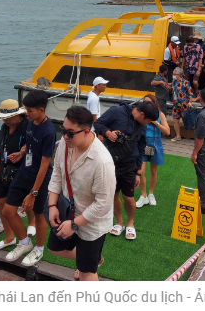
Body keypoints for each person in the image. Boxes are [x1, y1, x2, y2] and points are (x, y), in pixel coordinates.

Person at [47, 106, 116, 281]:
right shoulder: (66, 142)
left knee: (87, 273)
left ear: (86, 131)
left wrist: (75, 224)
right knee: (55, 248)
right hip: (67, 211)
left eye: (70, 132)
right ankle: (92, 260)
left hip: (91, 224)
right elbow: (57, 172)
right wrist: (52, 204)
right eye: (63, 129)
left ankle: (89, 264)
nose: (64, 136)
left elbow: (103, 204)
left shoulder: (102, 161)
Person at [2, 90, 55, 266]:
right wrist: (21, 153)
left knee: (39, 214)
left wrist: (33, 192)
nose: (26, 113)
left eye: (30, 110)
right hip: (24, 171)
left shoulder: (48, 131)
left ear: (41, 109)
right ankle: (24, 242)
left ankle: (39, 249)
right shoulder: (31, 123)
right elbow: (29, 144)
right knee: (8, 211)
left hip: (39, 178)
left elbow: (45, 165)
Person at [94, 101, 159, 240]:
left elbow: (141, 149)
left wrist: (138, 173)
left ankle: (130, 222)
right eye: (148, 120)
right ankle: (119, 222)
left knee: (128, 198)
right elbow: (97, 123)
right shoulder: (116, 111)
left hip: (130, 165)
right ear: (142, 114)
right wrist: (107, 133)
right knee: (113, 195)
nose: (147, 124)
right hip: (110, 163)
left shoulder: (141, 126)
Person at [0, 99, 36, 251]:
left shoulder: (28, 126)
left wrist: (22, 152)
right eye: (3, 118)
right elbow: (2, 148)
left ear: (18, 115)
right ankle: (9, 237)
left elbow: (34, 145)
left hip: (22, 170)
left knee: (24, 202)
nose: (5, 120)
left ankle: (31, 220)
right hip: (4, 170)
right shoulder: (4, 127)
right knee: (1, 203)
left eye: (9, 117)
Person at [135, 94, 170, 208]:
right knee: (141, 171)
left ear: (155, 104)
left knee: (154, 171)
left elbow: (167, 132)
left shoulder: (160, 115)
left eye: (149, 103)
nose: (147, 105)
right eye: (145, 103)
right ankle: (143, 196)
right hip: (142, 143)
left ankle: (151, 194)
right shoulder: (141, 115)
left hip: (155, 143)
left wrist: (156, 123)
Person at [170, 67, 196, 142]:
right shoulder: (174, 82)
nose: (173, 75)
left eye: (174, 74)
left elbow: (191, 93)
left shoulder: (185, 82)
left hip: (184, 105)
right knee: (175, 119)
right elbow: (172, 88)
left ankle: (195, 136)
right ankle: (178, 136)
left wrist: (190, 102)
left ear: (178, 75)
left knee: (189, 120)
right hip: (176, 104)